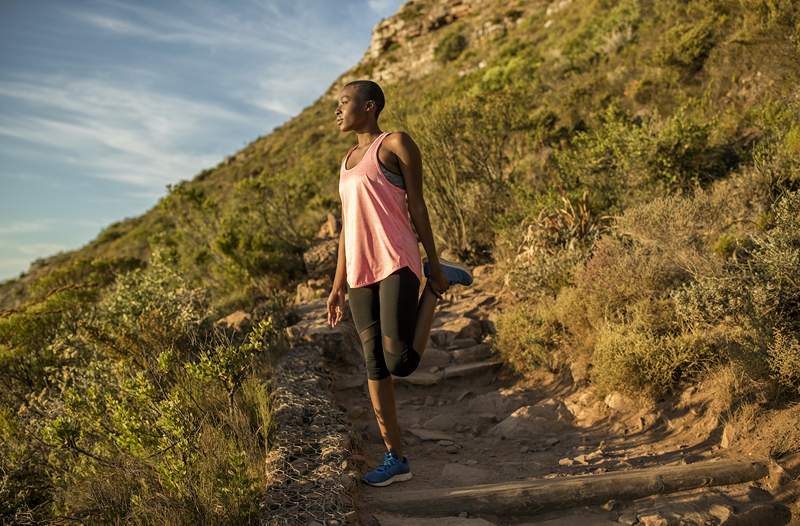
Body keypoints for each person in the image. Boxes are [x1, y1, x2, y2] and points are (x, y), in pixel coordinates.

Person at [326, 79, 473, 487]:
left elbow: (418, 204)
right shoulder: (346, 160)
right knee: (374, 365)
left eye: (344, 103)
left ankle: (436, 287)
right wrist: (337, 285)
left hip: (395, 260)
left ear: (369, 106)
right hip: (358, 271)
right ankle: (396, 459)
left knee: (400, 363)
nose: (338, 111)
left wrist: (435, 261)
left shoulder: (395, 144)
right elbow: (346, 228)